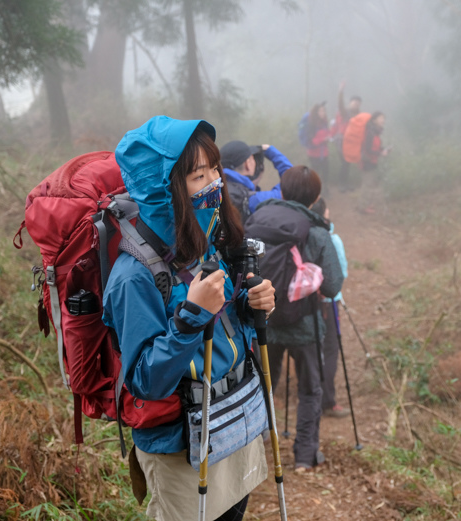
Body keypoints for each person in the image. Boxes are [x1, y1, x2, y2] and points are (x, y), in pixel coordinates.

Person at [103, 116, 276, 521]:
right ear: (166, 188)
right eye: (199, 175)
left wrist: (250, 308)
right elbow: (145, 381)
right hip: (181, 445)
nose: (215, 181)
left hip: (230, 419)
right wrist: (190, 317)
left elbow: (227, 329)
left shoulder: (203, 240)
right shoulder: (133, 276)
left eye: (214, 168)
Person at [245, 166, 344, 472]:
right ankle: (304, 456)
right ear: (315, 199)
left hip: (264, 322)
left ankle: (254, 448)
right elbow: (333, 285)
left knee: (263, 385)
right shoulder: (316, 233)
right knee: (310, 389)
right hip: (305, 325)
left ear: (282, 192)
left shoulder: (257, 222)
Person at [309, 197, 349, 418]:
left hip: (307, 301)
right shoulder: (332, 239)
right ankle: (328, 400)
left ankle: (312, 392)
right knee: (331, 349)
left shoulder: (301, 235)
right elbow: (341, 273)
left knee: (313, 347)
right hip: (329, 302)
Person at [220, 140, 293, 222]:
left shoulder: (217, 189)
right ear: (248, 164)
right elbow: (293, 184)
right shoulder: (251, 199)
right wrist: (270, 151)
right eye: (252, 159)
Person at [357, 111, 390, 214]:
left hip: (372, 161)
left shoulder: (375, 131)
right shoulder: (370, 132)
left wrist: (383, 150)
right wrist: (381, 153)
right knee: (367, 184)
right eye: (381, 118)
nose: (383, 120)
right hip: (367, 162)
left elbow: (375, 147)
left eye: (384, 118)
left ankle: (367, 204)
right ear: (374, 120)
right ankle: (362, 207)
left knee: (370, 183)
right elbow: (368, 149)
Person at [332, 82, 362, 192]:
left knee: (347, 163)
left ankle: (344, 184)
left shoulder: (358, 115)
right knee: (345, 162)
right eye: (354, 103)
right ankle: (342, 185)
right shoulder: (345, 112)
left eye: (358, 103)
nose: (356, 105)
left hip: (350, 142)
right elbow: (340, 104)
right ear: (350, 103)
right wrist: (340, 91)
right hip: (341, 141)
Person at [304, 102, 333, 195]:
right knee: (315, 173)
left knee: (326, 172)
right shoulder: (311, 124)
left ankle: (324, 190)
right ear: (316, 112)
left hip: (324, 153)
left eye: (324, 111)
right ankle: (313, 190)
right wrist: (322, 139)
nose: (323, 113)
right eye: (321, 111)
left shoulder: (324, 123)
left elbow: (327, 133)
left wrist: (329, 136)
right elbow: (311, 140)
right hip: (314, 154)